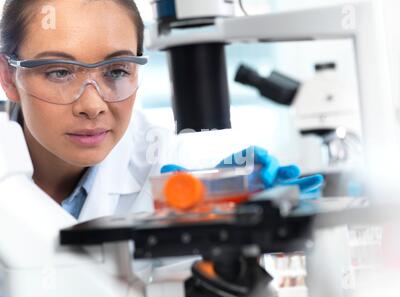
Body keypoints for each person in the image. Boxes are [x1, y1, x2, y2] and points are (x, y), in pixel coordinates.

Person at [0, 0, 323, 223]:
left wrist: (245, 204)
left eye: (116, 71)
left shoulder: (166, 165)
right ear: (7, 77)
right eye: (60, 72)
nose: (92, 106)